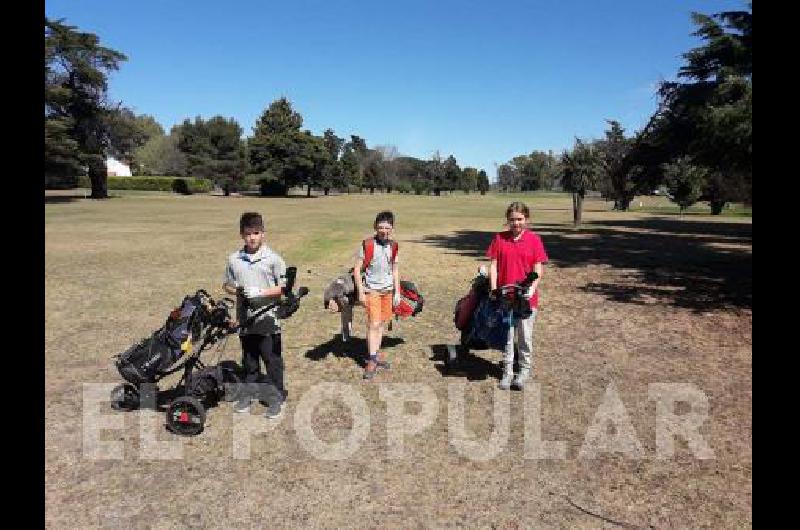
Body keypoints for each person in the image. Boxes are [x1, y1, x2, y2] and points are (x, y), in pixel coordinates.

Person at [223, 212, 288, 419]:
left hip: (268, 320)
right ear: (241, 234)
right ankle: (249, 393)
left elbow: (284, 288)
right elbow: (226, 285)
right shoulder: (234, 259)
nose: (252, 238)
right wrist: (239, 291)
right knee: (249, 361)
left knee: (272, 361)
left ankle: (276, 398)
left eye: (256, 233)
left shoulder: (274, 260)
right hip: (246, 321)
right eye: (248, 233)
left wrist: (260, 292)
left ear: (263, 234)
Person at [486, 202, 548, 390]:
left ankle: (523, 370)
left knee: (524, 336)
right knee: (507, 336)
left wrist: (532, 287)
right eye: (512, 219)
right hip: (506, 297)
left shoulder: (534, 240)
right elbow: (494, 266)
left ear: (526, 220)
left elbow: (538, 267)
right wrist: (495, 288)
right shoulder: (499, 239)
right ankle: (507, 372)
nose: (516, 223)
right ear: (508, 220)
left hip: (526, 299)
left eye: (520, 219)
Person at [353, 211, 401, 380]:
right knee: (373, 323)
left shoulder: (394, 246)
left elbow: (395, 270)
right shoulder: (367, 245)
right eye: (380, 227)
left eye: (387, 227)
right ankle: (372, 359)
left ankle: (375, 354)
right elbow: (357, 270)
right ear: (375, 227)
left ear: (392, 228)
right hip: (371, 290)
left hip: (387, 291)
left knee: (381, 323)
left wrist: (397, 292)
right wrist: (361, 291)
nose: (384, 230)